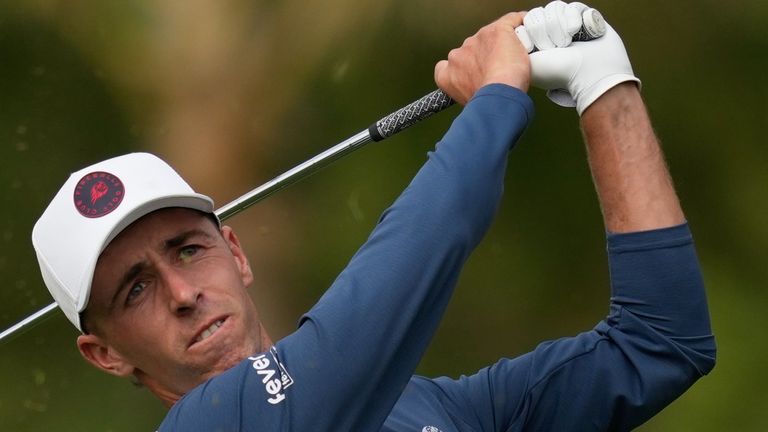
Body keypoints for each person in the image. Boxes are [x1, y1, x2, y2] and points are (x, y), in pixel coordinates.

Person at [31, 2, 715, 430]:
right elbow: (408, 265)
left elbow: (659, 345)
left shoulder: (436, 411)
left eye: (187, 250)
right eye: (137, 289)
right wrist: (496, 101)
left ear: (236, 252)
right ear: (105, 354)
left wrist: (605, 84)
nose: (183, 295)